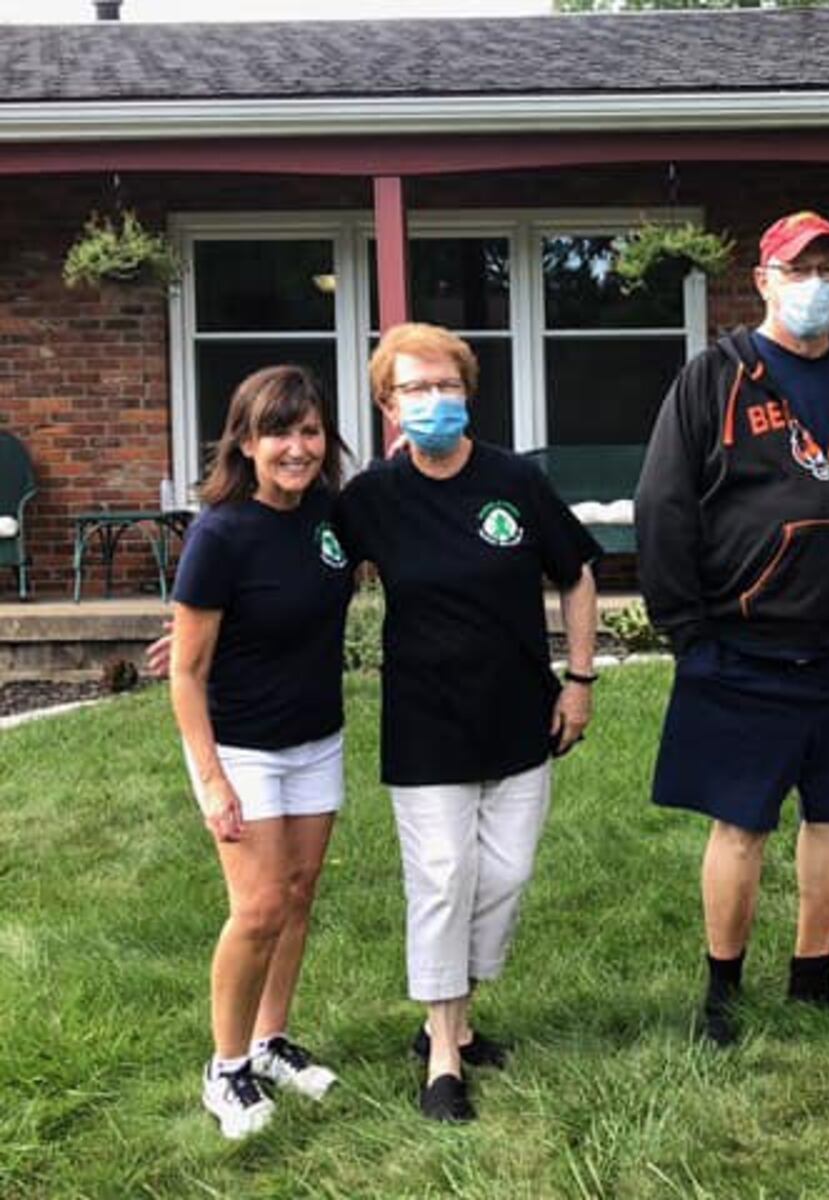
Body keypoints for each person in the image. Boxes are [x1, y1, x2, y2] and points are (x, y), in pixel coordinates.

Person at [636, 210, 829, 1047]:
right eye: (799, 270)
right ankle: (721, 989)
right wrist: (688, 630)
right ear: (763, 280)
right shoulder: (713, 378)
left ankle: (813, 977)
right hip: (745, 642)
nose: (818, 286)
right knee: (742, 822)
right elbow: (663, 506)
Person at [336, 322, 600, 1121]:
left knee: (507, 877)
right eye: (415, 389)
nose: (434, 400)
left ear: (468, 393)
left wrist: (579, 680)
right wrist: (220, 613)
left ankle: (453, 1008)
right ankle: (445, 1053)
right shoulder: (372, 499)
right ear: (389, 405)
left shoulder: (514, 481)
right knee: (445, 878)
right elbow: (308, 567)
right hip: (425, 721)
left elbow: (578, 577)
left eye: (446, 385)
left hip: (522, 712)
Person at [169, 365, 354, 1139]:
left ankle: (269, 1042)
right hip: (241, 747)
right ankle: (227, 1068)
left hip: (317, 738)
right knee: (258, 907)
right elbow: (186, 669)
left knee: (301, 892)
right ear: (245, 442)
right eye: (278, 431)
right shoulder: (221, 530)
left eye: (309, 430)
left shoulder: (332, 517)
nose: (296, 447)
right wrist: (211, 780)